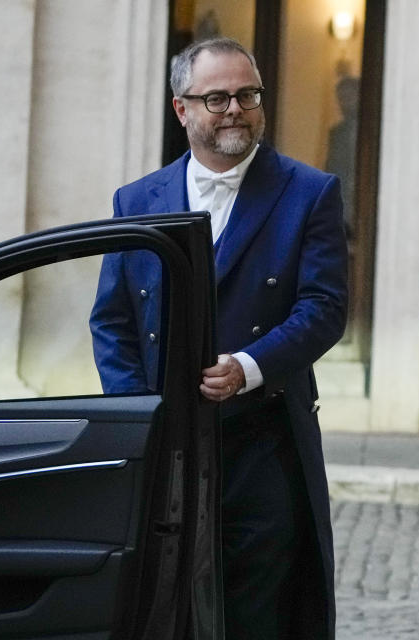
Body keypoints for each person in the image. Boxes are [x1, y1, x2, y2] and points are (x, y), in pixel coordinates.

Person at [89, 37, 347, 640]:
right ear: (183, 110)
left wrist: (250, 365)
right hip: (166, 449)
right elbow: (113, 321)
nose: (235, 109)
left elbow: (324, 307)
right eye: (218, 98)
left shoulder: (309, 192)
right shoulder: (137, 201)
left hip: (262, 443)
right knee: (163, 606)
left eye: (248, 95)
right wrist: (136, 413)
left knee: (256, 610)